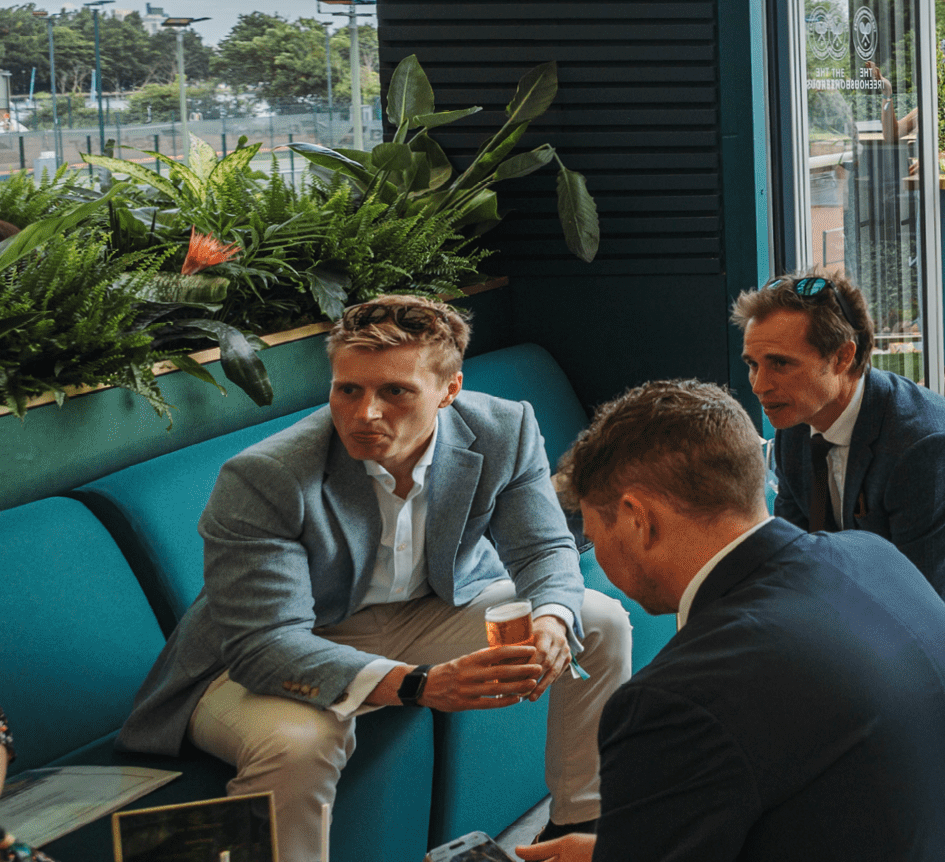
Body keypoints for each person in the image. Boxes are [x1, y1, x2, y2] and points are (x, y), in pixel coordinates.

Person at [121, 296, 632, 862]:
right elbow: (264, 646)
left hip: (425, 610)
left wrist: (553, 619)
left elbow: (543, 548)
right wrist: (418, 684)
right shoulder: (266, 476)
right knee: (302, 744)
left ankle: (573, 833)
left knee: (596, 620)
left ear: (450, 389)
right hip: (259, 656)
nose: (366, 413)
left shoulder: (503, 429)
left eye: (395, 391)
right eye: (349, 389)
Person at [516, 380, 945, 862]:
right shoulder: (878, 557)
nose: (594, 551)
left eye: (590, 527)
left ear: (637, 518)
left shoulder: (672, 701)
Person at [741, 271, 945, 706]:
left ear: (843, 357)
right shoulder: (796, 422)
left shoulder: (927, 446)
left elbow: (914, 605)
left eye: (780, 363)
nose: (760, 385)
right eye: (753, 363)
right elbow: (795, 556)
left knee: (835, 681)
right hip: (880, 595)